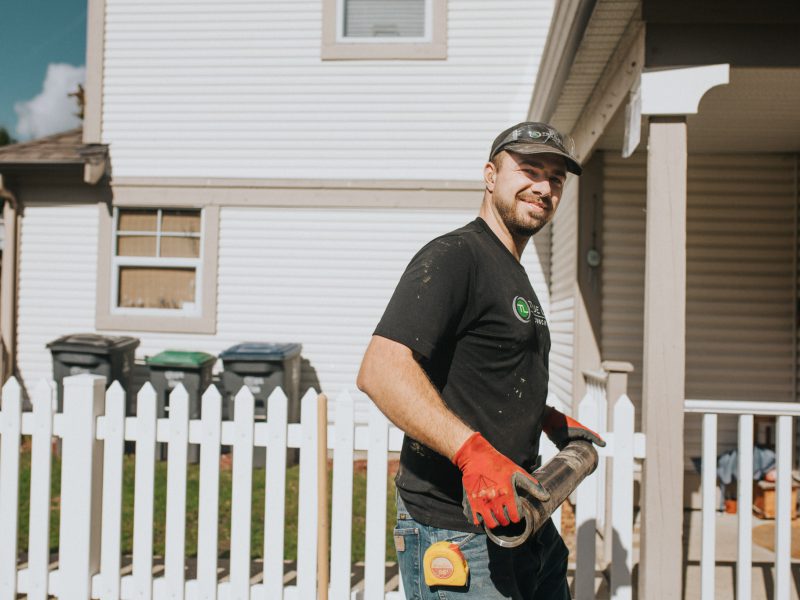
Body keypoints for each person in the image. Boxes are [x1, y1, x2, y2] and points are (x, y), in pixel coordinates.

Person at [357, 122, 606, 599]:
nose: (544, 187)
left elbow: (481, 370)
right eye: (529, 170)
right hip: (455, 528)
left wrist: (543, 417)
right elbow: (381, 369)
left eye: (556, 178)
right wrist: (471, 453)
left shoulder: (510, 269)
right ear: (490, 175)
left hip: (520, 516)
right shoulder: (456, 256)